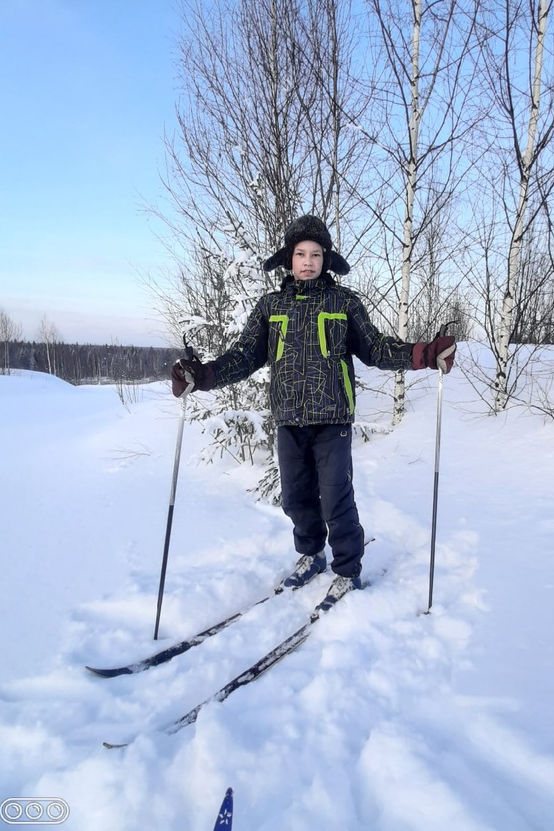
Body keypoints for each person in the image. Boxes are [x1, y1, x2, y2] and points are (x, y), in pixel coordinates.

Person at [172, 215, 456, 608]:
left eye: (316, 254)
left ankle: (347, 571)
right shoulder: (270, 306)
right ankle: (312, 555)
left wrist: (422, 354)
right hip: (289, 419)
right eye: (301, 253)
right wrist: (201, 376)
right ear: (288, 259)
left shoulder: (343, 302)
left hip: (333, 419)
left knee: (335, 497)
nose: (308, 261)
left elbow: (375, 348)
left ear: (326, 259)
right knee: (295, 498)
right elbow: (243, 357)